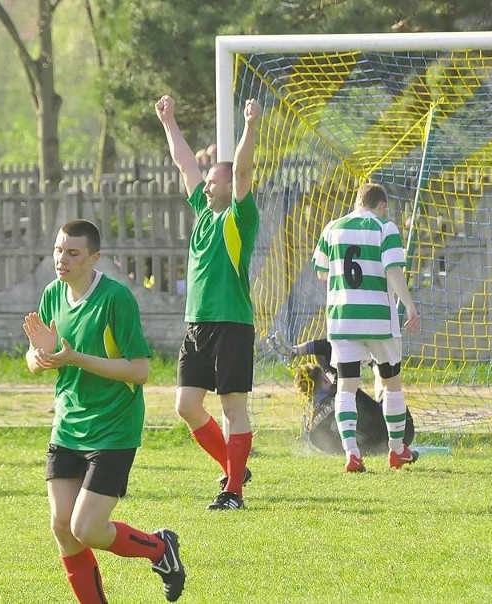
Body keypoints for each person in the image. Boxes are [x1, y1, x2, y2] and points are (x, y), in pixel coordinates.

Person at [22, 219, 185, 603]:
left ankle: (161, 549)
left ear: (94, 258)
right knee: (62, 525)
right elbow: (35, 357)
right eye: (59, 249)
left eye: (73, 252)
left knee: (87, 527)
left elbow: (140, 370)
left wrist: (75, 358)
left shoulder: (116, 299)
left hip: (114, 426)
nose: (62, 259)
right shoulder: (53, 295)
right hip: (67, 426)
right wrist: (39, 358)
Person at [155, 94, 261, 510]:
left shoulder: (239, 217)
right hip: (197, 324)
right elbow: (183, 162)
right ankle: (235, 467)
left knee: (233, 408)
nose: (207, 182)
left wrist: (250, 126)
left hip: (232, 323)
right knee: (186, 405)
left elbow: (245, 169)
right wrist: (169, 121)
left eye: (214, 178)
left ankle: (233, 491)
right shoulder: (202, 210)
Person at [312, 182, 421, 472]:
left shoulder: (332, 228)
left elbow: (322, 273)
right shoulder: (385, 228)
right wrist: (409, 305)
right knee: (390, 383)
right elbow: (393, 270)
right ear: (381, 205)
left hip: (342, 319)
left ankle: (352, 454)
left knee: (346, 386)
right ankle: (397, 450)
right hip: (378, 321)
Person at [267, 334, 414, 455]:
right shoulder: (342, 389)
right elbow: (328, 345)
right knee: (383, 380)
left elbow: (335, 451)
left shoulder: (313, 433)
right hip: (401, 434)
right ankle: (376, 366)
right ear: (325, 378)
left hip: (368, 452)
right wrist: (296, 350)